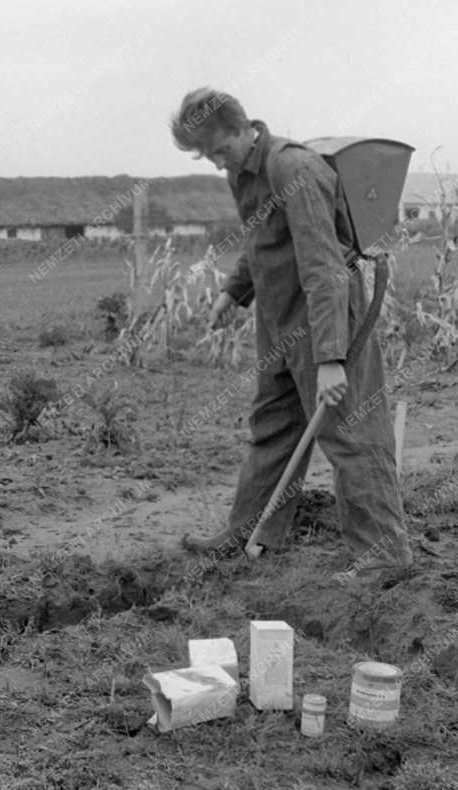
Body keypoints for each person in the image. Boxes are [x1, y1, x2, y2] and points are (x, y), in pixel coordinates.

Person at [172, 87, 413, 574]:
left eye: (220, 150)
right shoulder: (245, 173)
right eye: (208, 156)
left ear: (243, 129)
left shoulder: (294, 170)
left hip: (325, 319)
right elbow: (262, 240)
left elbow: (324, 268)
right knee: (274, 430)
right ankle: (247, 535)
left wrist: (330, 360)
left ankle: (384, 560)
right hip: (279, 321)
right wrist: (232, 292)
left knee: (351, 436)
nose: (217, 163)